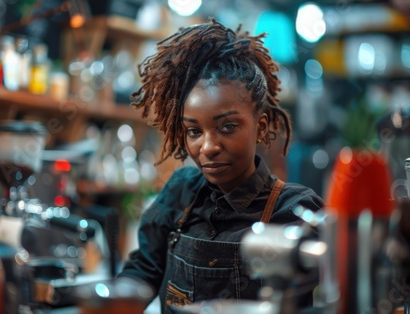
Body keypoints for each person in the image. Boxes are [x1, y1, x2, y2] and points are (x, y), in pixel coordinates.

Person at [117, 18, 324, 313]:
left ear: (261, 127)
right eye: (194, 131)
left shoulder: (297, 211)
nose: (208, 147)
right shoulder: (180, 193)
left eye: (227, 127)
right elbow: (141, 275)